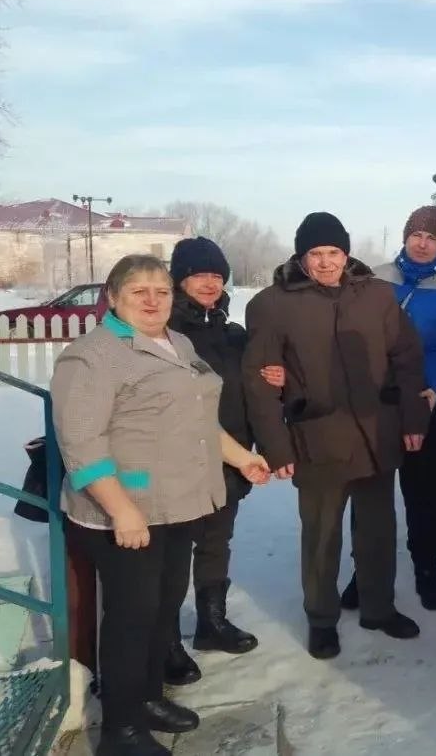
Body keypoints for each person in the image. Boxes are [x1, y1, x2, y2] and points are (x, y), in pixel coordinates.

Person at [52, 254, 271, 756]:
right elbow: (80, 443)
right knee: (131, 618)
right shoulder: (91, 356)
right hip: (125, 512)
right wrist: (121, 509)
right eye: (139, 291)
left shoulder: (178, 343)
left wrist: (242, 458)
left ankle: (147, 698)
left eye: (162, 291)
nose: (152, 301)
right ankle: (121, 731)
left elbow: (198, 421)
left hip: (177, 504)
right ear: (113, 297)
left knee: (162, 608)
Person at [241, 212, 431, 661]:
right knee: (322, 535)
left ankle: (378, 607)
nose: (326, 262)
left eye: (334, 252)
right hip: (318, 438)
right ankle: (322, 618)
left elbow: (407, 358)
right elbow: (259, 382)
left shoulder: (377, 296)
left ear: (346, 254)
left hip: (376, 433)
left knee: (378, 529)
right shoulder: (273, 304)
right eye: (316, 254)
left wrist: (413, 419)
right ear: (301, 257)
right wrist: (276, 446)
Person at [339, 205, 436, 612]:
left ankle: (426, 570)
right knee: (370, 495)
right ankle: (364, 571)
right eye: (416, 234)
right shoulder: (375, 278)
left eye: (431, 237)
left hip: (428, 405)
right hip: (377, 406)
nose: (422, 243)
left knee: (423, 496)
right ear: (405, 237)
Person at [161, 237, 286, 687]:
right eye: (199, 275)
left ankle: (211, 623)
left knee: (217, 541)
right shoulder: (164, 334)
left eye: (216, 275)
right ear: (179, 280)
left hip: (230, 456)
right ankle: (165, 641)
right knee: (172, 550)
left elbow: (254, 384)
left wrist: (275, 375)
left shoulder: (233, 334)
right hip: (178, 461)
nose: (210, 283)